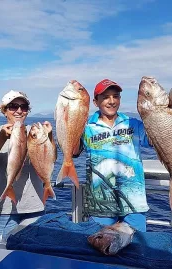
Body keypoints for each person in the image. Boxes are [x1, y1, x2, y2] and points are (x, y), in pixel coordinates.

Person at [74, 79, 151, 232]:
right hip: (100, 203)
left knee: (137, 247)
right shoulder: (87, 126)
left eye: (115, 96)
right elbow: (74, 152)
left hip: (134, 202)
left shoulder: (133, 124)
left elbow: (156, 140)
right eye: (105, 97)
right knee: (101, 248)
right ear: (95, 102)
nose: (111, 101)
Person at [0, 90, 52, 244]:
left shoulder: (36, 132)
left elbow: (51, 158)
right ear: (4, 110)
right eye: (13, 106)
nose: (19, 111)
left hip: (34, 207)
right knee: (4, 254)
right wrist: (2, 138)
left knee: (33, 258)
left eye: (23, 107)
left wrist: (49, 137)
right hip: (4, 208)